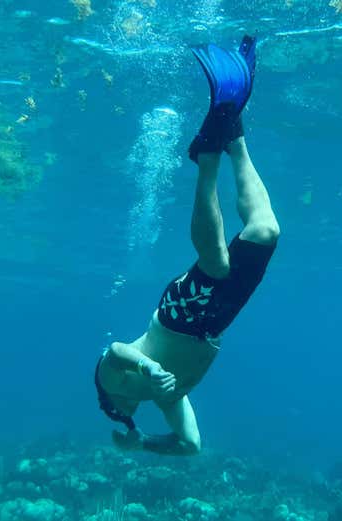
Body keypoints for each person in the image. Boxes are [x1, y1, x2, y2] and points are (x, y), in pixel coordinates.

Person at [94, 35, 280, 455]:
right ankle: (234, 136)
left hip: (178, 317)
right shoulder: (165, 399)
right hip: (215, 323)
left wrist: (148, 366)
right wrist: (142, 443)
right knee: (265, 232)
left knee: (215, 263)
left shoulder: (111, 379)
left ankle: (205, 159)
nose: (128, 405)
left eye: (121, 406)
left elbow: (116, 350)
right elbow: (190, 445)